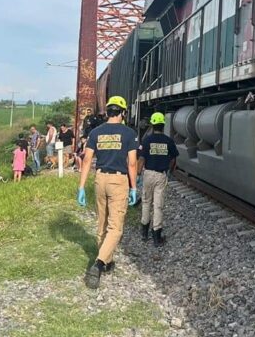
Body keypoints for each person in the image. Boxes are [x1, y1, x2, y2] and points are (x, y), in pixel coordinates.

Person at [76, 96, 138, 290]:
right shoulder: (129, 133)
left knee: (102, 223)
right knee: (115, 227)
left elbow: (86, 160)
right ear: (122, 112)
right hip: (118, 180)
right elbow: (132, 163)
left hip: (100, 179)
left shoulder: (96, 132)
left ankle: (108, 260)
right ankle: (99, 264)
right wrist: (134, 187)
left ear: (108, 111)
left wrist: (81, 187)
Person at [138, 112, 178, 246]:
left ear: (152, 125)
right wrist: (169, 169)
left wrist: (138, 173)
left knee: (146, 202)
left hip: (148, 174)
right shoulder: (168, 141)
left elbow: (142, 158)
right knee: (158, 205)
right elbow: (173, 158)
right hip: (161, 175)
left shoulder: (147, 140)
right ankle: (157, 237)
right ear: (163, 125)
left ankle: (144, 233)